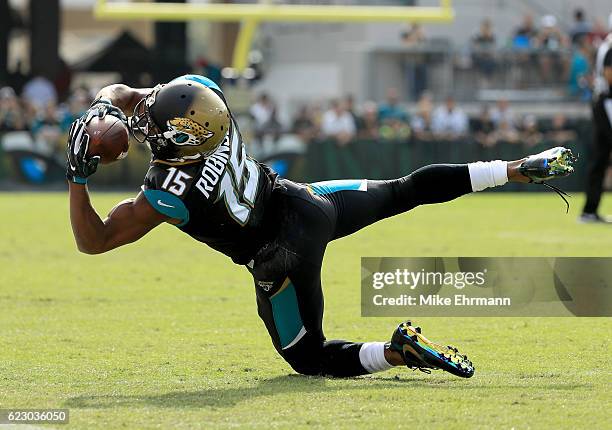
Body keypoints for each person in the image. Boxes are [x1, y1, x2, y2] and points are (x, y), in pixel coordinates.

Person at [65, 75, 576, 379]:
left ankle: (396, 353)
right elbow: (135, 97)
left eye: (157, 127)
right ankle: (512, 169)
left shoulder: (166, 193)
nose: (145, 126)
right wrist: (105, 108)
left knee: (308, 359)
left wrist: (78, 176)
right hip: (305, 204)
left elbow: (96, 241)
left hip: (279, 258)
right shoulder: (203, 98)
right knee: (404, 189)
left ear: (185, 138)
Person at [580, 18, 612, 223]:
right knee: (599, 159)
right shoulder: (610, 47)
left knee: (599, 159)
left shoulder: (605, 45)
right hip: (607, 103)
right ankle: (589, 210)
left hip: (602, 102)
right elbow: (609, 75)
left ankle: (589, 210)